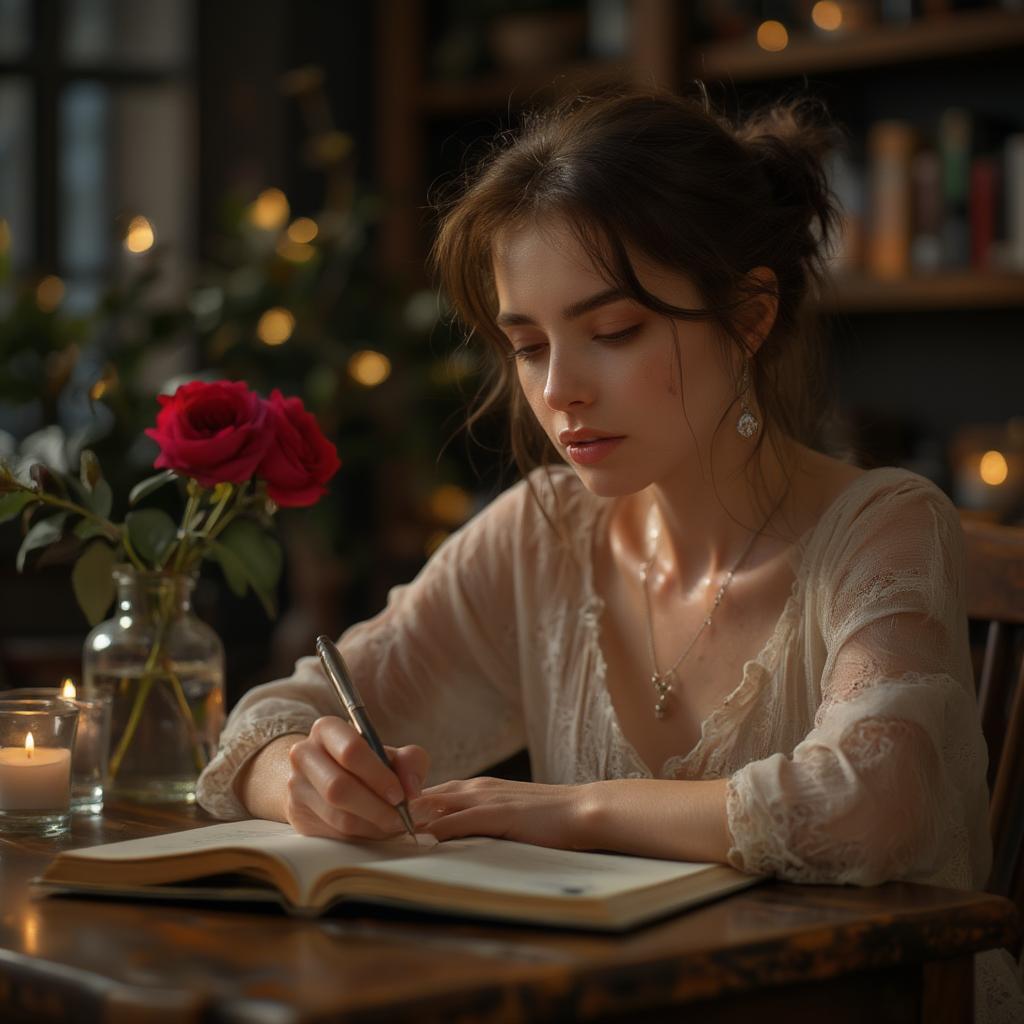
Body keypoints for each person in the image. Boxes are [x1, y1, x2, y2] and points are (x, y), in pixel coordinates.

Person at [196, 88, 1022, 1021]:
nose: (559, 391)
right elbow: (274, 716)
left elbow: (870, 804)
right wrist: (301, 778)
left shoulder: (884, 527)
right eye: (528, 344)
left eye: (614, 332)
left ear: (750, 314)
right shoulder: (542, 535)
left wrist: (567, 809)